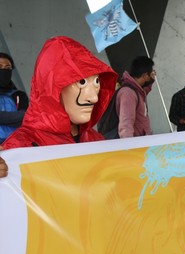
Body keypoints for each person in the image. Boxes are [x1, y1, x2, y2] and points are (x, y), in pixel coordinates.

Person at [0, 36, 118, 177]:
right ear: (52, 88)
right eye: (82, 82)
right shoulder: (21, 145)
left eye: (97, 82)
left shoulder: (95, 140)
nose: (94, 98)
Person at [116, 56, 155, 138]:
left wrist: (151, 81)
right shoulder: (128, 93)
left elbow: (144, 91)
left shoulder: (136, 90)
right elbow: (126, 126)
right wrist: (130, 148)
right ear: (145, 76)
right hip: (136, 146)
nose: (153, 75)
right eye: (151, 73)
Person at [0, 52, 29, 143]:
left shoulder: (20, 95)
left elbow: (26, 118)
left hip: (15, 146)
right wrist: (18, 116)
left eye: (7, 68)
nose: (4, 70)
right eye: (0, 67)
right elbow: (22, 115)